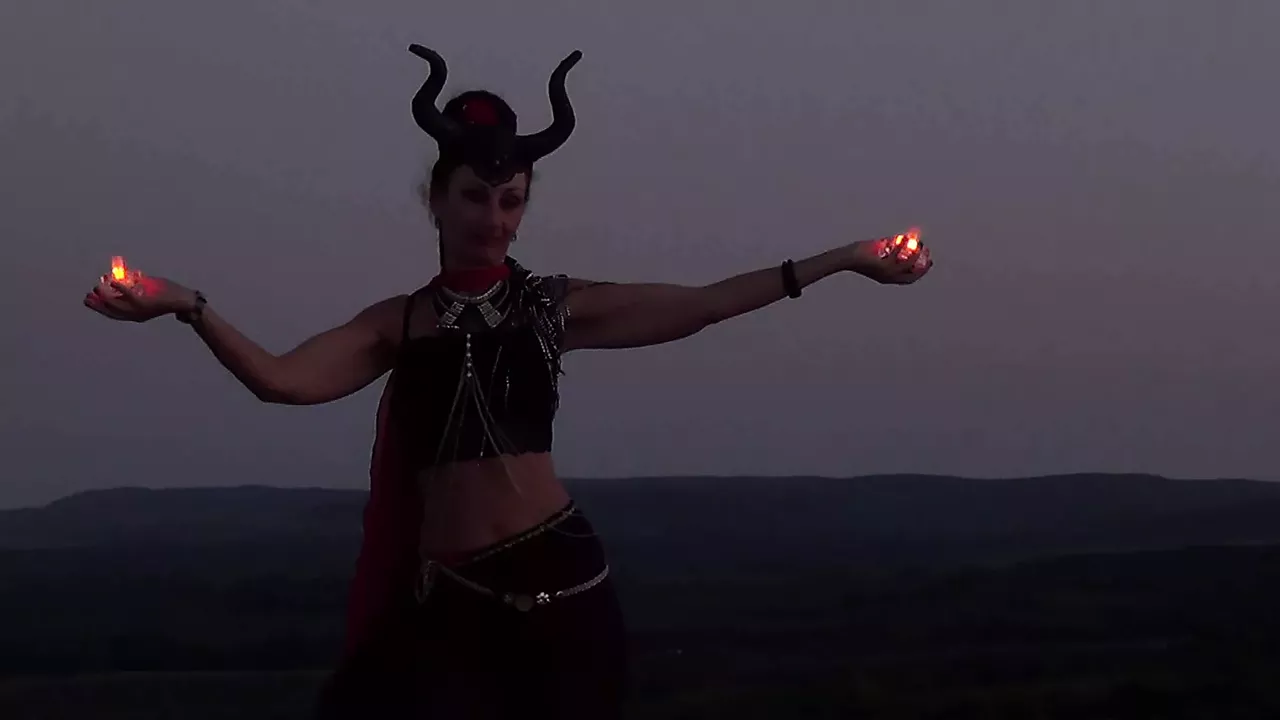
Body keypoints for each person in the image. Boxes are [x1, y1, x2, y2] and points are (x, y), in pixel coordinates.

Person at [83, 43, 933, 718]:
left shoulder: (549, 306)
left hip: (558, 589)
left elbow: (703, 305)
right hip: (449, 598)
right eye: (475, 198)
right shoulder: (398, 323)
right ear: (436, 200)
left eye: (511, 200)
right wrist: (188, 308)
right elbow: (283, 382)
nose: (494, 219)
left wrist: (843, 260)